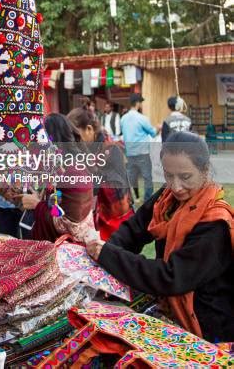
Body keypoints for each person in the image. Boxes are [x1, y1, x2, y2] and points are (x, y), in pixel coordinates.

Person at [87, 132, 234, 343]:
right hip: (171, 304)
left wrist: (109, 255)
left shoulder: (215, 224)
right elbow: (135, 229)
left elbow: (171, 277)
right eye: (168, 175)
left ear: (205, 171)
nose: (175, 186)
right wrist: (106, 251)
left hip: (208, 325)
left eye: (185, 177)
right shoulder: (167, 199)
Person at [21, 113, 97, 243]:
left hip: (69, 252)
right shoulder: (60, 168)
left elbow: (71, 225)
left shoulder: (75, 173)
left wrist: (37, 205)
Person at [67, 106, 134, 241]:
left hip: (115, 219)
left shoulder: (111, 149)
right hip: (97, 218)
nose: (75, 141)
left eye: (77, 136)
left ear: (90, 129)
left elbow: (117, 188)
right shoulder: (88, 150)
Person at [120, 93, 160, 202]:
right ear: (137, 103)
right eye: (141, 102)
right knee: (147, 178)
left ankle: (135, 197)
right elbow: (152, 133)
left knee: (132, 178)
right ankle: (147, 201)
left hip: (130, 153)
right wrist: (158, 128)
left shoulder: (123, 119)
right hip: (142, 153)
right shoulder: (142, 118)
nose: (141, 104)